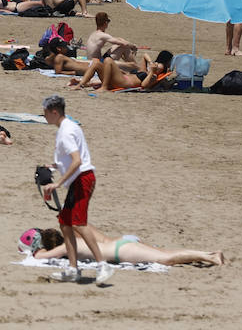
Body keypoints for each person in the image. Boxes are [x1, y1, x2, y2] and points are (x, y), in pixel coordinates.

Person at [40, 94, 112, 285]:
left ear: (54, 112)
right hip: (78, 180)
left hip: (82, 180)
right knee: (65, 223)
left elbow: (77, 160)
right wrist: (53, 166)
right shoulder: (68, 126)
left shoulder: (65, 132)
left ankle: (102, 264)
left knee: (79, 223)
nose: (44, 116)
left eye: (45, 113)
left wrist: (57, 183)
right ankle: (73, 268)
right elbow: (69, 158)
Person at [25, 226, 223, 267]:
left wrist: (37, 250)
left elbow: (40, 258)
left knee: (166, 259)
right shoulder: (76, 237)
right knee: (166, 254)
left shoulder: (70, 245)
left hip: (123, 251)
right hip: (122, 243)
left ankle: (210, 256)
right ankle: (208, 254)